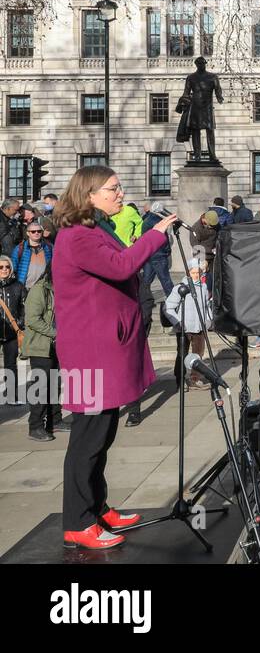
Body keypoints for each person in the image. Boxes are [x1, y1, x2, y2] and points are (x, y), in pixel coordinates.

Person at [52, 166, 178, 549]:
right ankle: (77, 521)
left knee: (103, 433)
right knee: (88, 439)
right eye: (112, 188)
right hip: (90, 350)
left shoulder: (96, 229)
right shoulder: (78, 236)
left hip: (104, 344)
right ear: (88, 194)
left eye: (119, 188)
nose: (120, 193)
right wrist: (155, 236)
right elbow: (123, 265)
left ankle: (97, 506)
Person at [21, 268, 66, 440]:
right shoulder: (39, 289)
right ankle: (35, 426)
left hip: (54, 346)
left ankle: (55, 421)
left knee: (54, 384)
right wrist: (56, 333)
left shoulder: (59, 288)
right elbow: (32, 319)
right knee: (40, 387)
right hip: (40, 346)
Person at [162, 258, 214, 390]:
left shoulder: (203, 288)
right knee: (182, 354)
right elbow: (168, 307)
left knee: (198, 355)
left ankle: (195, 379)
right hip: (184, 328)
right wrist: (177, 322)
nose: (196, 275)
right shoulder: (180, 288)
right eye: (193, 272)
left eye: (198, 272)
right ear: (188, 272)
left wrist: (209, 319)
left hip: (199, 328)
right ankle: (179, 379)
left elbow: (207, 306)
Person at [0, 255, 25, 404]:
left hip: (11, 333)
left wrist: (19, 324)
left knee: (11, 365)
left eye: (7, 267)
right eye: (1, 267)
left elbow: (25, 308)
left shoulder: (18, 286)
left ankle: (11, 395)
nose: (4, 270)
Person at [11, 218, 53, 288]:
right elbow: (13, 268)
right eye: (33, 231)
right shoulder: (20, 248)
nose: (36, 233)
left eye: (39, 231)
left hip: (43, 287)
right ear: (28, 233)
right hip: (24, 287)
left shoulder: (49, 247)